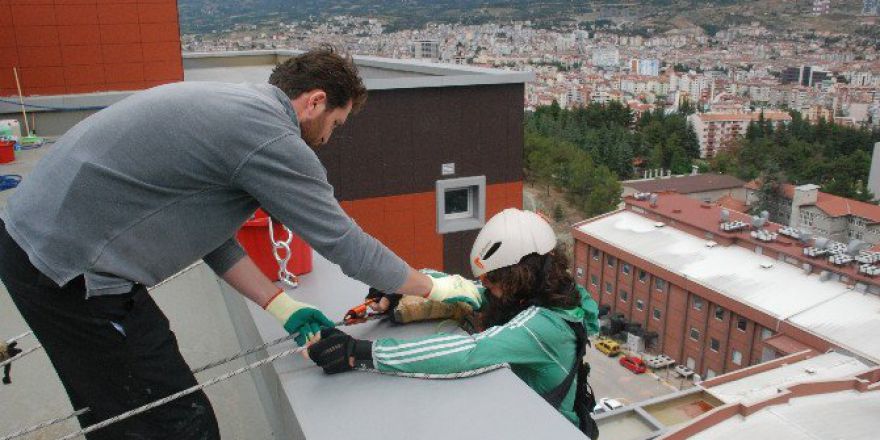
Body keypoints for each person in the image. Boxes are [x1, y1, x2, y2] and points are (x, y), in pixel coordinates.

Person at [0, 47, 480, 439]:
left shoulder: (235, 107)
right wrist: (433, 288)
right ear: (313, 102)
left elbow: (209, 236)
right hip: (67, 270)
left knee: (117, 406)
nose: (330, 138)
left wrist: (280, 305)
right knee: (172, 424)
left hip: (38, 249)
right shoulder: (269, 137)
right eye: (336, 123)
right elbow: (343, 242)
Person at [308, 208, 601, 437]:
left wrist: (362, 353)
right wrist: (399, 289)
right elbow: (465, 290)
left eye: (492, 278)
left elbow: (466, 351)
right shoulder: (544, 294)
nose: (485, 284)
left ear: (518, 275)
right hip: (527, 418)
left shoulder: (543, 325)